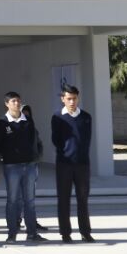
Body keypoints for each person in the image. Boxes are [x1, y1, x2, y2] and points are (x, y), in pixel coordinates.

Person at [0, 92, 44, 242]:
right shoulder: (2, 123)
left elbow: (33, 141)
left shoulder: (28, 120)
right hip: (12, 167)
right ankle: (12, 233)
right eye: (13, 101)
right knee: (13, 200)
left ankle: (32, 232)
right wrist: (6, 157)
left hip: (29, 166)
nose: (17, 103)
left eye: (18, 101)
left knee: (30, 200)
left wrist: (34, 158)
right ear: (7, 104)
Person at [51, 84, 95, 243]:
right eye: (69, 99)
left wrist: (81, 155)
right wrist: (66, 152)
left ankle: (85, 232)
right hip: (64, 164)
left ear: (78, 98)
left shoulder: (86, 117)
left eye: (74, 98)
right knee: (63, 199)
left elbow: (86, 139)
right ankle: (65, 232)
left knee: (82, 199)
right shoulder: (57, 117)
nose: (72, 102)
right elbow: (55, 139)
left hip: (82, 164)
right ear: (63, 99)